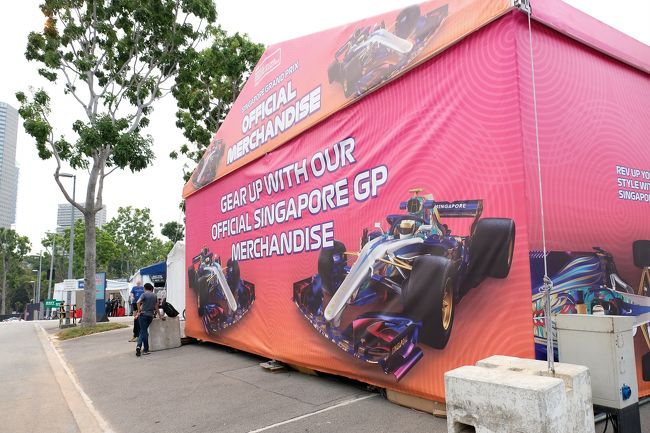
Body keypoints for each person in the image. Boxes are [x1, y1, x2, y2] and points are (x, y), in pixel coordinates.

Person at [135, 283, 164, 357]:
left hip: (143, 315)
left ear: (145, 288)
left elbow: (138, 302)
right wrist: (160, 316)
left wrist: (139, 311)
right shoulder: (154, 295)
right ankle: (138, 346)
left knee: (143, 331)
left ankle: (145, 350)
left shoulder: (144, 294)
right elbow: (156, 307)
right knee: (143, 331)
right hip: (150, 316)